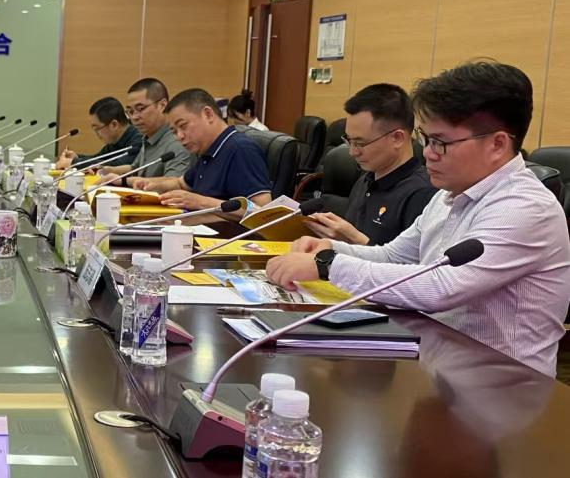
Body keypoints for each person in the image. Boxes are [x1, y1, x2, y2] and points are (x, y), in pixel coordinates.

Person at [267, 61, 570, 377]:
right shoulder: (449, 193)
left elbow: (443, 286)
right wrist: (330, 249)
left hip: (503, 383)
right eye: (426, 139)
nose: (427, 153)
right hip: (436, 361)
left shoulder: (524, 207)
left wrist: (329, 266)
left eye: (441, 143)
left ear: (497, 144)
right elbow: (394, 256)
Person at [304, 83, 437, 245]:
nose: (352, 152)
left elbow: (416, 260)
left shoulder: (424, 194)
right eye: (349, 141)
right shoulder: (365, 180)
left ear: (397, 138)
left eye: (360, 143)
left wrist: (356, 240)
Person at [127, 88, 272, 211]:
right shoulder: (207, 150)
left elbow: (262, 211)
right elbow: (182, 184)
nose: (179, 136)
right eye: (174, 131)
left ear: (208, 114)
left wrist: (201, 202)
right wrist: (154, 186)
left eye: (183, 126)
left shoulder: (240, 149)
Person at [99, 77, 192, 183]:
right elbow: (136, 168)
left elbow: (173, 182)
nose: (134, 117)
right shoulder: (149, 136)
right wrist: (109, 170)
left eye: (141, 109)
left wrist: (124, 181)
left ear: (162, 105)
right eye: (130, 111)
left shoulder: (178, 141)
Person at [55, 97, 142, 169]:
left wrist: (74, 163)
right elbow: (99, 158)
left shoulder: (138, 140)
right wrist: (77, 157)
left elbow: (116, 166)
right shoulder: (115, 140)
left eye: (97, 128)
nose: (96, 134)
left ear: (114, 124)